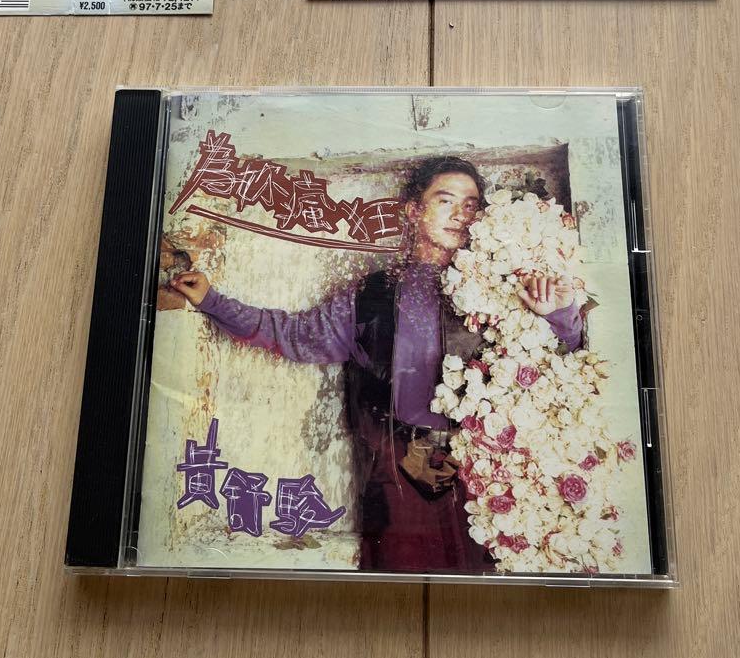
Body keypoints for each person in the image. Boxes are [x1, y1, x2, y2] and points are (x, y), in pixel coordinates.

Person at [171, 156, 582, 573]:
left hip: (493, 469)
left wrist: (560, 314)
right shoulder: (373, 294)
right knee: (404, 581)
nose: (460, 214)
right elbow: (295, 335)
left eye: (471, 205)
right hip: (404, 470)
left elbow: (558, 366)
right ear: (414, 210)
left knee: (494, 581)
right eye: (445, 200)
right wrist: (212, 301)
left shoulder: (505, 285)